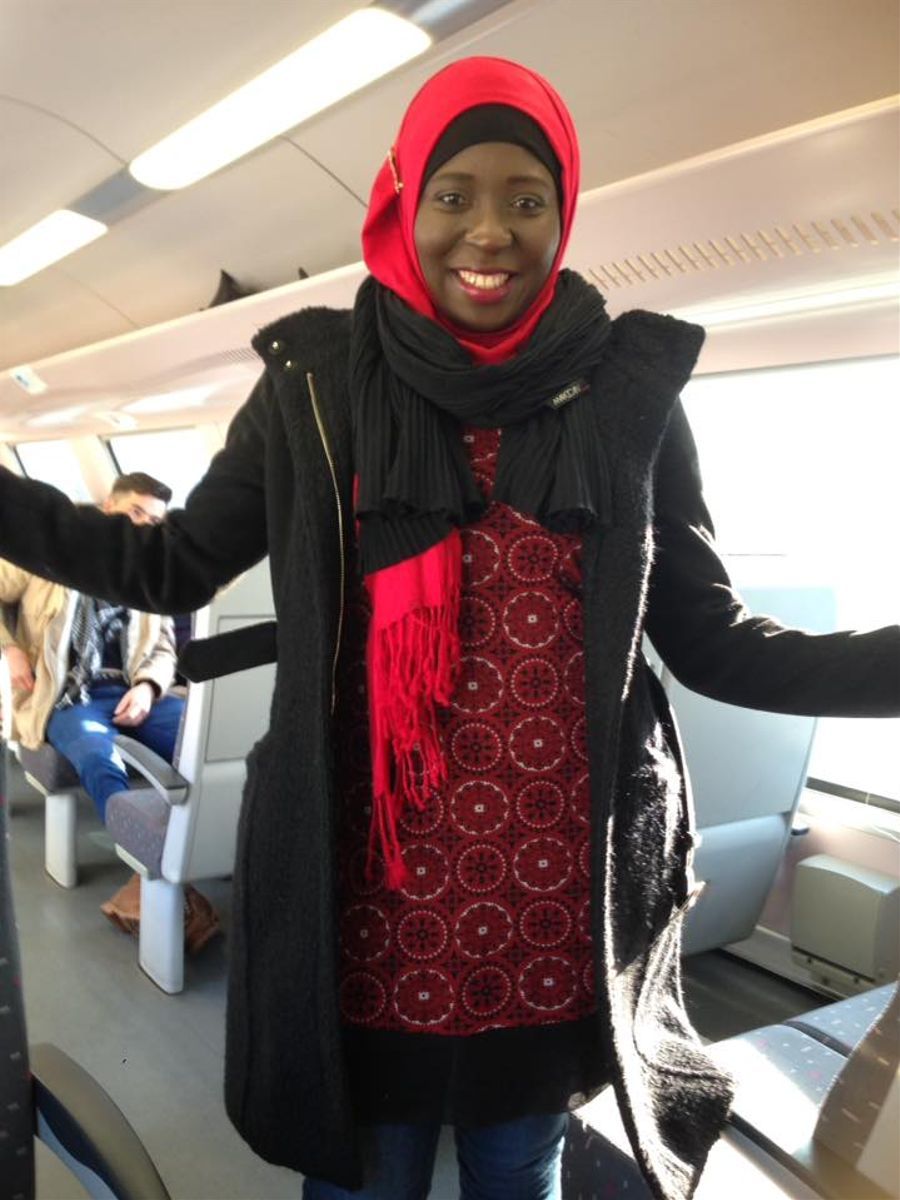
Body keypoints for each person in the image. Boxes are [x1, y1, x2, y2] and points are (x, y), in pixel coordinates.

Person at [0, 57, 897, 1200]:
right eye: (454, 194)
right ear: (402, 201)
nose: (490, 230)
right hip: (360, 910)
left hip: (550, 912)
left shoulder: (629, 397)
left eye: (528, 199)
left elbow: (716, 640)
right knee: (367, 1179)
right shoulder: (317, 388)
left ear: (564, 213)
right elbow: (161, 565)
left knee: (519, 1173)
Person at [0, 471, 219, 954]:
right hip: (67, 697)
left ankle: (206, 851)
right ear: (108, 508)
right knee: (101, 759)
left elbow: (163, 648)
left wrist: (147, 686)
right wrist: (10, 648)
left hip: (133, 692)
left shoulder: (147, 571)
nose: (142, 526)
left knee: (201, 737)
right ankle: (148, 863)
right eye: (135, 512)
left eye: (153, 521)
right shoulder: (51, 553)